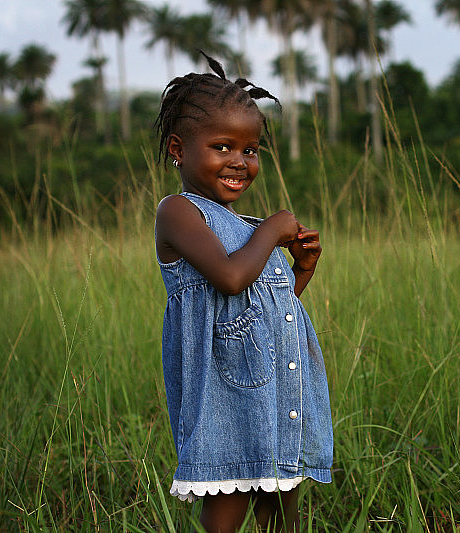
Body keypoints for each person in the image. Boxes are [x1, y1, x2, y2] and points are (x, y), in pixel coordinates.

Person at [154, 53, 332, 533]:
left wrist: (301, 270)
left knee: (282, 515)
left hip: (279, 395)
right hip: (225, 404)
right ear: (179, 148)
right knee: (226, 511)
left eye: (250, 150)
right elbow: (230, 280)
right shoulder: (179, 213)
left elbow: (261, 310)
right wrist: (274, 229)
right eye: (222, 146)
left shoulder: (245, 229)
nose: (239, 161)